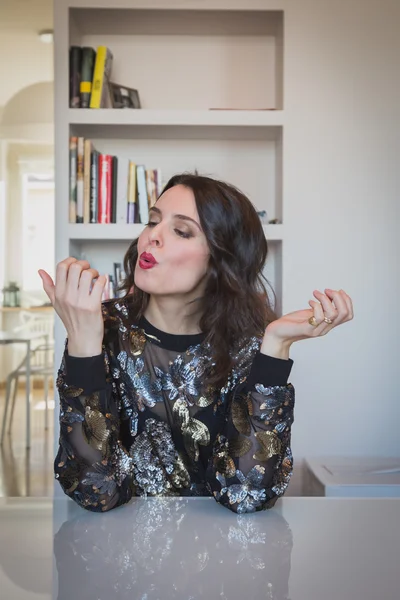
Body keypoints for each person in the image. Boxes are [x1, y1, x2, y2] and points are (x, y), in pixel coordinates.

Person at [39, 173, 354, 514]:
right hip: (119, 552)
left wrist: (275, 347)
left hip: (223, 557)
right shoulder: (99, 328)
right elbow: (92, 491)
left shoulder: (249, 345)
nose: (151, 237)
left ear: (221, 259)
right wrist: (84, 343)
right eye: (153, 221)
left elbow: (245, 493)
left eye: (181, 231)